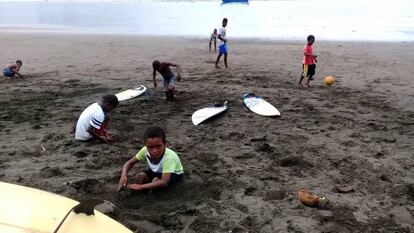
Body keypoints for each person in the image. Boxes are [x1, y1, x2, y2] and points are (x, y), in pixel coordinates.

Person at [118, 126, 184, 191]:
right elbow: (129, 163)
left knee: (156, 181)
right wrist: (123, 175)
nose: (154, 151)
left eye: (158, 146)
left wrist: (141, 187)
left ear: (165, 144)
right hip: (158, 171)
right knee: (140, 177)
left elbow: (164, 181)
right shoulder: (145, 150)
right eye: (150, 147)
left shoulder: (169, 157)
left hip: (174, 174)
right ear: (146, 146)